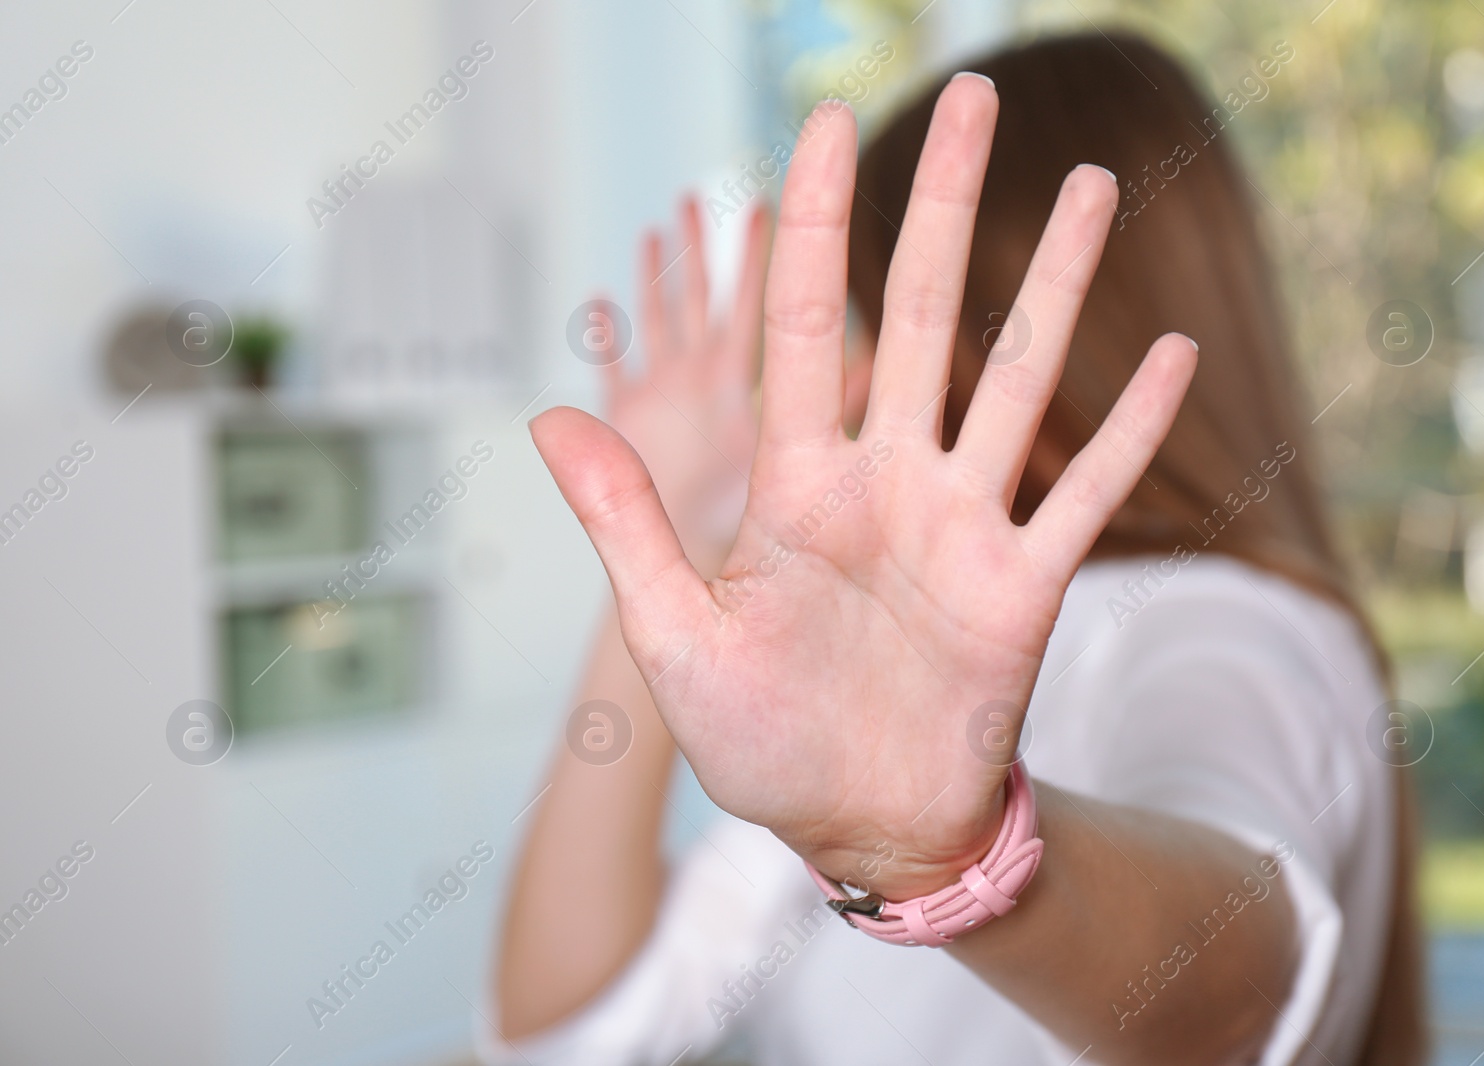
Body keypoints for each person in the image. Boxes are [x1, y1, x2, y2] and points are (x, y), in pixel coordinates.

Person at [489, 32, 1425, 1066]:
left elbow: (1242, 988)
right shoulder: (885, 685)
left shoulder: (1216, 617)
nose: (854, 379)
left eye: (872, 317)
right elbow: (563, 1028)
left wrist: (960, 861)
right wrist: (667, 554)